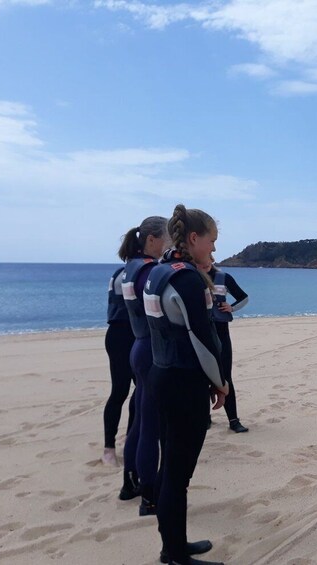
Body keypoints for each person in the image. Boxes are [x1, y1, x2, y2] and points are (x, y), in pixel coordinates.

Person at [144, 204, 228, 565]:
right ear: (194, 239)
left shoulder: (159, 272)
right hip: (183, 383)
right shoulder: (187, 279)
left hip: (161, 374)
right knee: (178, 475)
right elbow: (202, 338)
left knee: (171, 469)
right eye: (211, 242)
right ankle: (175, 554)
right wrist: (220, 382)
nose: (213, 249)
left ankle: (172, 544)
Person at [117, 216, 170, 514]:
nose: (168, 247)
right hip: (152, 350)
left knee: (139, 420)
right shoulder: (149, 271)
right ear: (151, 239)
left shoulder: (130, 267)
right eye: (166, 240)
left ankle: (130, 483)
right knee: (150, 424)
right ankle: (149, 495)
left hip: (138, 346)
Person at [198, 255, 249, 433]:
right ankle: (206, 418)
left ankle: (234, 420)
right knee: (202, 378)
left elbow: (244, 297)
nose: (206, 261)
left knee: (225, 376)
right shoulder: (192, 277)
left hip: (221, 333)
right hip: (201, 334)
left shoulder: (223, 277)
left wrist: (231, 307)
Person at [102, 263, 136, 468]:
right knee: (120, 391)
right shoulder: (128, 273)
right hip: (120, 336)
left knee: (142, 390)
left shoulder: (136, 270)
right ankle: (108, 448)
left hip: (135, 337)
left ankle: (130, 437)